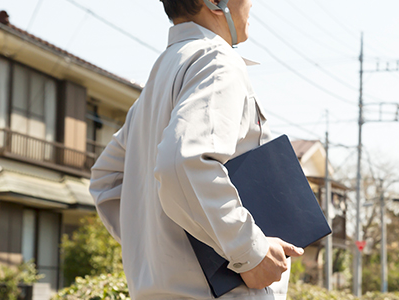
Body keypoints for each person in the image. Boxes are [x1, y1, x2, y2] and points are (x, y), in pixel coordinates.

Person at [89, 0, 303, 299]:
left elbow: (106, 180)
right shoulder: (217, 62)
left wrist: (158, 248)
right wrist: (249, 251)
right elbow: (185, 161)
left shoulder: (159, 79)